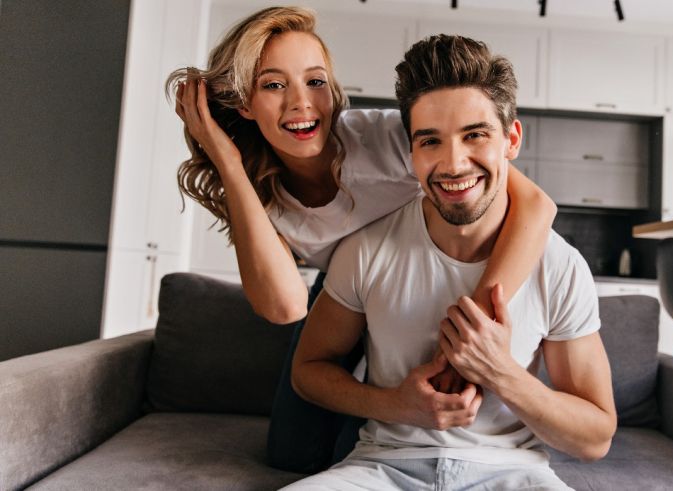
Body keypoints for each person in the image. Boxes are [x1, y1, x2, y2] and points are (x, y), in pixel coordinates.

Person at [168, 7, 556, 472]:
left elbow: (537, 205)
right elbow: (287, 307)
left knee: (360, 448)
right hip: (340, 292)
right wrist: (226, 160)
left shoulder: (386, 136)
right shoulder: (257, 191)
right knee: (292, 453)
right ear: (244, 105)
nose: (301, 104)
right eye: (273, 85)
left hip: (418, 280)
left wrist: (470, 329)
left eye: (315, 81)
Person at [288, 34, 617, 490]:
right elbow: (308, 372)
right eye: (431, 141)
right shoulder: (367, 249)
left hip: (511, 473)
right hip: (384, 469)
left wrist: (499, 372)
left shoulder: (559, 267)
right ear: (411, 153)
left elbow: (595, 438)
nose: (453, 163)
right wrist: (396, 405)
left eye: (475, 135)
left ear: (511, 139)